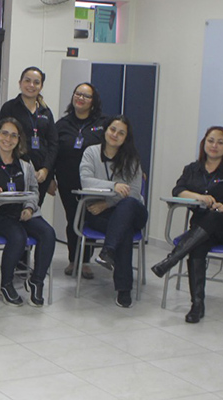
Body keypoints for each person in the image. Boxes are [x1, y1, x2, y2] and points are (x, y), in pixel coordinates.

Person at [150, 127, 223, 323]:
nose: (214, 146)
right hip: (201, 230)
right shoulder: (192, 169)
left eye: (220, 142)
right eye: (210, 141)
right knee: (197, 247)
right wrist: (199, 197)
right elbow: (178, 190)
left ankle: (171, 259)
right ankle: (197, 305)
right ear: (203, 143)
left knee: (213, 217)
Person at [0, 118, 57, 307]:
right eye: (5, 133)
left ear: (19, 140)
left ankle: (36, 281)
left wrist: (30, 208)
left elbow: (34, 190)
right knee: (18, 236)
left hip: (22, 213)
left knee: (48, 233)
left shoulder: (25, 163)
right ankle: (5, 283)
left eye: (14, 135)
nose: (8, 139)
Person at [79, 115, 146, 308]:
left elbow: (133, 193)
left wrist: (107, 204)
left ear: (126, 138)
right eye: (112, 130)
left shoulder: (131, 159)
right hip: (100, 215)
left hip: (132, 213)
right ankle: (124, 289)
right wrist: (114, 186)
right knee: (122, 231)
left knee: (127, 207)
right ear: (105, 130)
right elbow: (86, 181)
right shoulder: (91, 153)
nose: (115, 135)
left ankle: (108, 249)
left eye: (121, 133)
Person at [55, 82, 106, 280]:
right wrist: (51, 177)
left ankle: (85, 261)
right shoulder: (63, 124)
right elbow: (54, 152)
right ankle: (73, 259)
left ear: (93, 102)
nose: (81, 98)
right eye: (78, 94)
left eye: (86, 96)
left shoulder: (103, 123)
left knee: (88, 218)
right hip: (68, 179)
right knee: (73, 218)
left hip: (94, 182)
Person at [0, 67, 59, 205]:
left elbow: (53, 143)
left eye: (36, 82)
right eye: (27, 81)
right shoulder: (9, 108)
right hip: (16, 171)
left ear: (41, 86)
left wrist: (46, 170)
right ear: (20, 83)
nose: (31, 85)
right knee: (15, 211)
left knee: (34, 210)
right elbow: (1, 140)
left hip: (40, 174)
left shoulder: (46, 112)